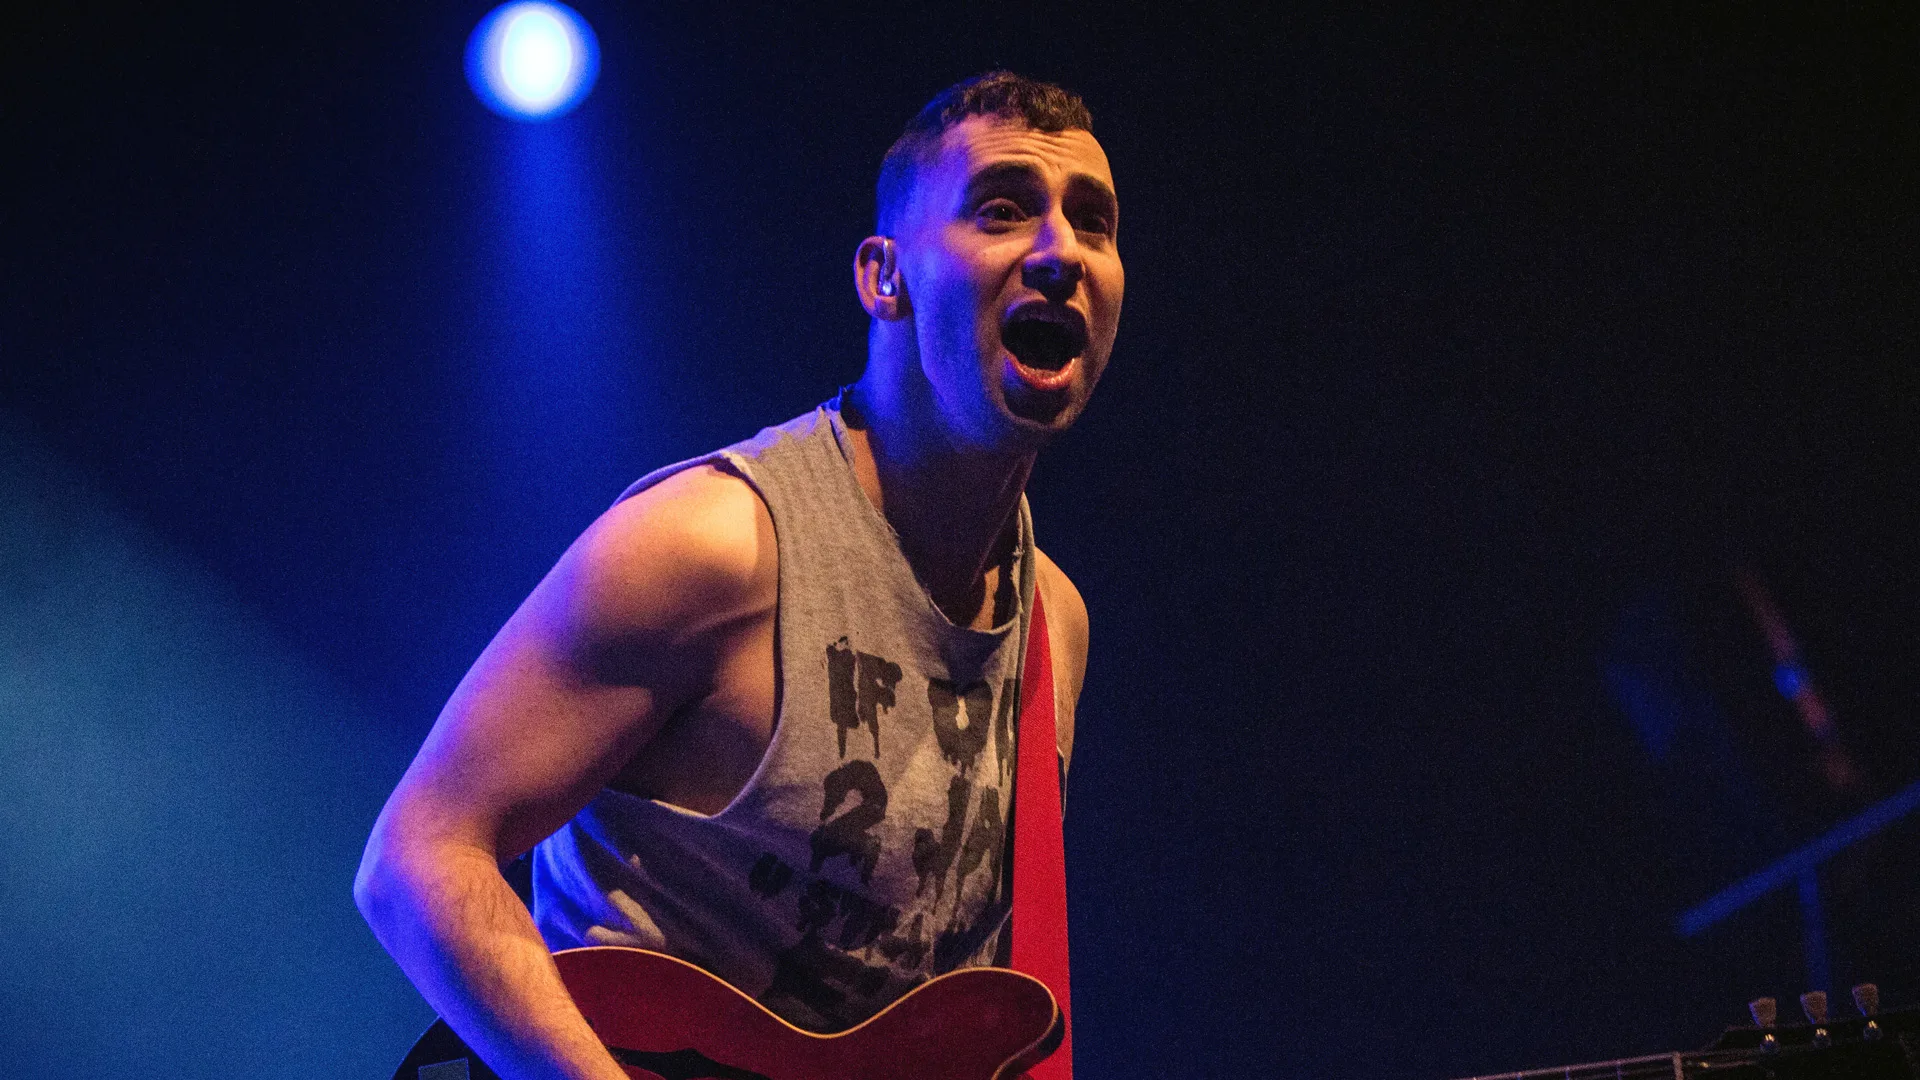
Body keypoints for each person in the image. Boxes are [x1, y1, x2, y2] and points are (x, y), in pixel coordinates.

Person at [355, 70, 1121, 1080]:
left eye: (1094, 223)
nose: (1061, 252)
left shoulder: (1050, 627)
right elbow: (415, 859)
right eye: (1003, 209)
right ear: (884, 278)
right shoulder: (712, 547)